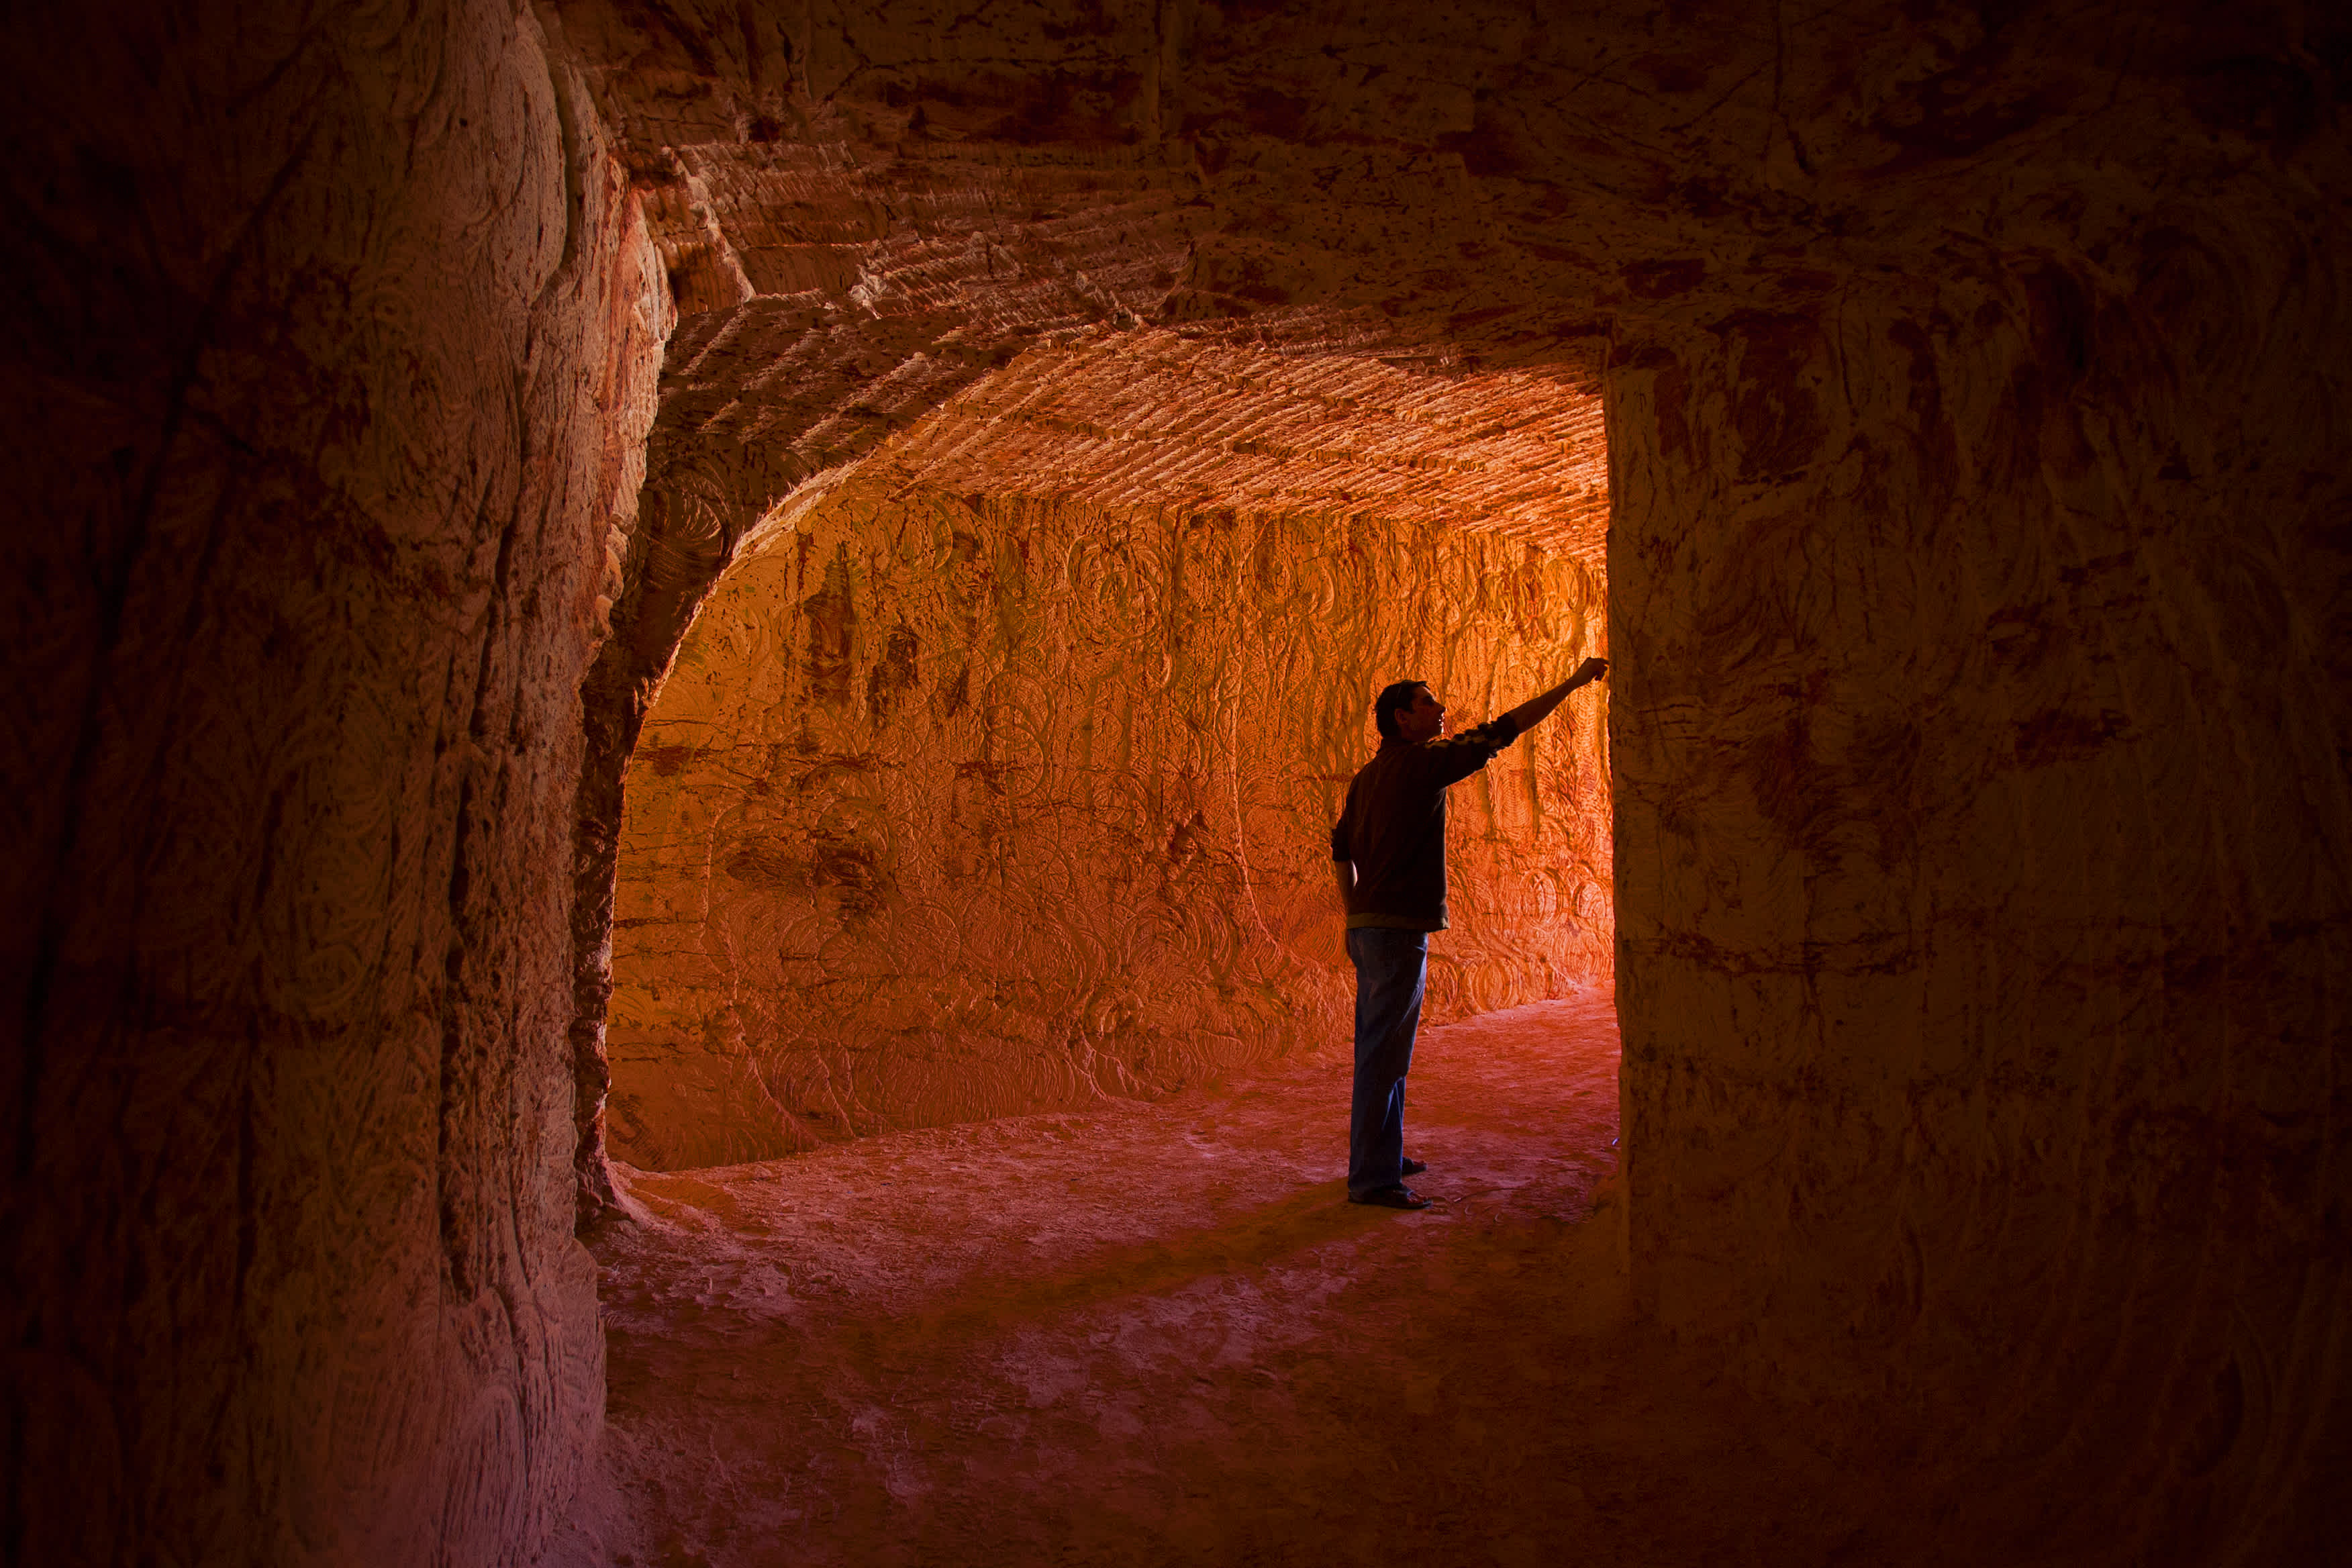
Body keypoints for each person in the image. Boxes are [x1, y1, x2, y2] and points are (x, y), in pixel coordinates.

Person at [1329, 659, 1609, 1208]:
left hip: (1369, 927)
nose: (1440, 711)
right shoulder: (1422, 763)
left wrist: (1353, 913)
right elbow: (1505, 728)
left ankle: (1383, 1155)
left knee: (1384, 1048)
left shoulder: (1366, 777)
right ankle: (1373, 1179)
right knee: (1385, 1054)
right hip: (1397, 928)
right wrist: (1573, 682)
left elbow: (1340, 851)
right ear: (1402, 719)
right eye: (1428, 702)